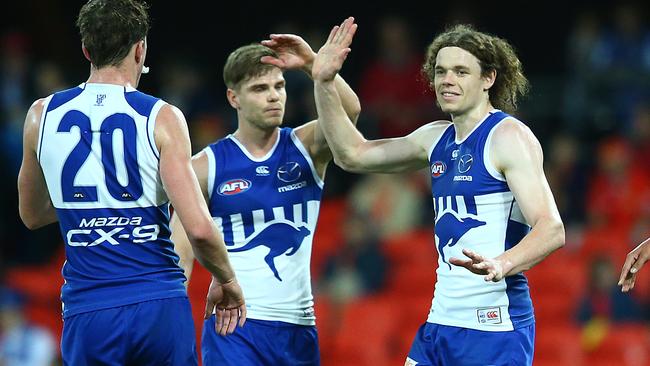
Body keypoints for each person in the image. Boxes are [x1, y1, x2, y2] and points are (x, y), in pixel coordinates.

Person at [312, 22, 565, 365]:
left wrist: (500, 263)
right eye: (441, 71)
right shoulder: (434, 138)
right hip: (440, 325)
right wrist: (324, 82)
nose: (447, 80)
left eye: (461, 71)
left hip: (495, 329)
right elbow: (352, 155)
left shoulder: (508, 137)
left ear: (488, 78)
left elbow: (551, 228)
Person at [16, 0, 245, 364]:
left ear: (86, 49)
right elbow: (198, 229)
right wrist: (228, 281)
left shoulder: (40, 115)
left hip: (88, 309)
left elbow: (31, 214)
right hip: (158, 303)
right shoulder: (162, 117)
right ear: (141, 49)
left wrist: (94, 209)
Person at [170, 18, 360, 366]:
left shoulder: (306, 146)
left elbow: (349, 113)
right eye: (260, 88)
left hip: (298, 327)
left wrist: (312, 65)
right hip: (234, 324)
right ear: (234, 98)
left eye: (279, 86)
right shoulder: (204, 167)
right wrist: (172, 329)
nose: (274, 95)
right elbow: (179, 255)